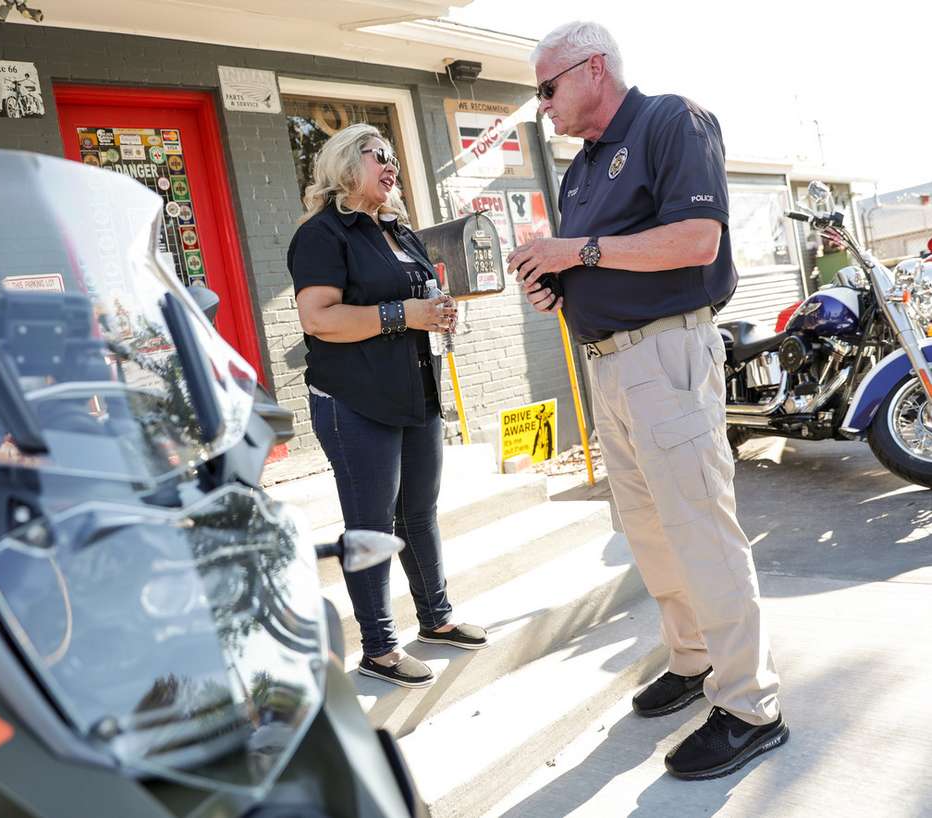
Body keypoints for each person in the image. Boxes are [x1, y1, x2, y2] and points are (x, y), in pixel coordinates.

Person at [509, 21, 786, 780]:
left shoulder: (671, 121)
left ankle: (751, 704)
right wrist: (554, 284)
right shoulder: (582, 169)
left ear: (592, 69)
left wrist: (578, 253)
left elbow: (697, 239)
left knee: (701, 529)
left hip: (665, 355)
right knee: (651, 532)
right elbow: (591, 266)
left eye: (548, 87)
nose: (544, 106)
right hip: (608, 366)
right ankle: (695, 658)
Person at [286, 123, 487, 688]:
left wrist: (437, 313)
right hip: (354, 401)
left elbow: (420, 300)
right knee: (372, 523)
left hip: (415, 391)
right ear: (347, 164)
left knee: (418, 514)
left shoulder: (400, 232)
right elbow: (318, 318)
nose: (391, 163)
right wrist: (404, 315)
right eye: (378, 155)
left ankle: (437, 620)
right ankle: (378, 647)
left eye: (394, 155)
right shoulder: (323, 234)